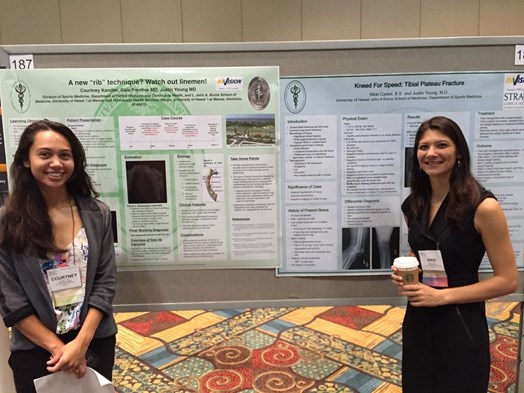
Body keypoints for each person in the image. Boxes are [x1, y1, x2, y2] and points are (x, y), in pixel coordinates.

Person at [391, 116, 518, 393]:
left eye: (441, 145)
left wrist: (442, 297)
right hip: (420, 318)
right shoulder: (413, 204)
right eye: (424, 147)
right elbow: (423, 250)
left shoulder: (484, 207)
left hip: (461, 320)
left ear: (459, 151)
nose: (431, 153)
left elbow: (508, 281)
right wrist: (408, 272)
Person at [0, 120, 117, 392]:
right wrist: (60, 349)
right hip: (36, 347)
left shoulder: (97, 213)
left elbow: (105, 282)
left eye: (65, 155)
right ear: (26, 161)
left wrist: (81, 344)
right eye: (45, 154)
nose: (56, 163)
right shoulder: (8, 221)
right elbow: (10, 298)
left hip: (93, 340)